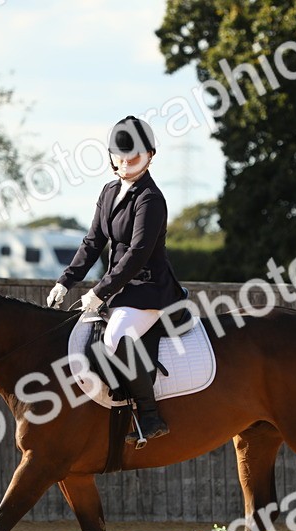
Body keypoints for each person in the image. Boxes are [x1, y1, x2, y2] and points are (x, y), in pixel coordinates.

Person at [46, 115, 186, 443]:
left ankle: (150, 417)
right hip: (120, 291)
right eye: (119, 156)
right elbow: (93, 242)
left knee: (115, 337)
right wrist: (65, 281)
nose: (125, 163)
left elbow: (137, 254)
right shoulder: (109, 191)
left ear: (150, 154)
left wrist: (99, 290)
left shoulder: (151, 199)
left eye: (133, 156)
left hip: (150, 290)